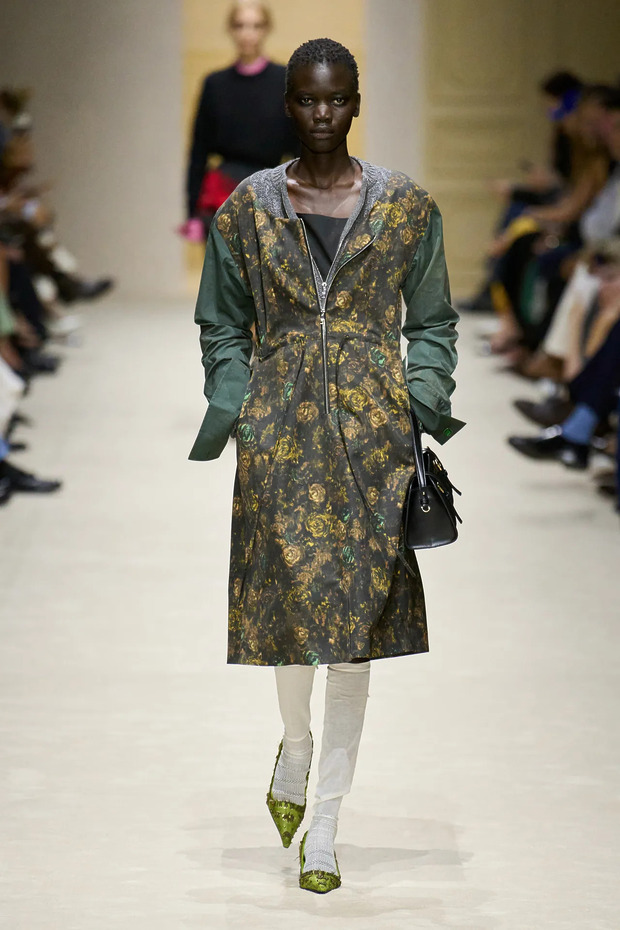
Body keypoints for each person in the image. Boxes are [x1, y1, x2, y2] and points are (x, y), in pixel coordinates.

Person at [190, 38, 463, 893]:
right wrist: (237, 399)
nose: (321, 114)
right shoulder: (249, 207)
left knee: (353, 641)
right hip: (279, 440)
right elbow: (221, 319)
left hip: (375, 441)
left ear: (355, 103)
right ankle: (297, 746)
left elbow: (435, 320)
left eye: (336, 99)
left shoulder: (404, 206)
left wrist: (420, 398)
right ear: (288, 104)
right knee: (287, 618)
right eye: (307, 99)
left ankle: (328, 825)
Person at [183, 0, 298, 239]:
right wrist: (192, 212)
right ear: (230, 29)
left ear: (266, 29)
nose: (248, 34)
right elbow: (198, 151)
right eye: (240, 25)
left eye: (256, 26)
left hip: (270, 195)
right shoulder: (215, 85)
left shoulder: (284, 82)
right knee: (226, 263)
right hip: (222, 197)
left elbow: (299, 151)